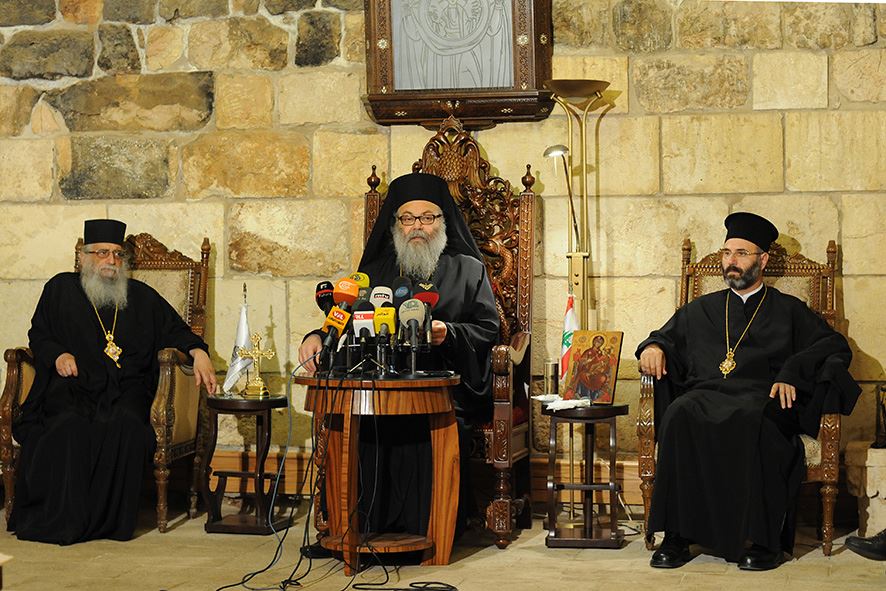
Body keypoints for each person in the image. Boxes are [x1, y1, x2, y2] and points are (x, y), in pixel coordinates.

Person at [636, 212, 860, 571]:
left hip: (761, 399)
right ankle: (677, 536)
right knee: (678, 413)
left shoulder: (788, 310)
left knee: (755, 422)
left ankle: (763, 540)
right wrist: (653, 347)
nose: (731, 261)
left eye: (741, 253)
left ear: (763, 260)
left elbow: (833, 345)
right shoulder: (700, 310)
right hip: (705, 394)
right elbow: (665, 337)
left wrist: (791, 371)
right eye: (727, 253)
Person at [298, 172, 500, 553]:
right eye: (408, 218)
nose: (417, 227)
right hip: (382, 387)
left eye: (427, 217)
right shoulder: (375, 273)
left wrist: (449, 333)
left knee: (431, 425)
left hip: (445, 390)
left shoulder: (468, 269)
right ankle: (350, 530)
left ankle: (430, 533)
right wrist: (317, 336)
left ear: (443, 222)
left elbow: (488, 329)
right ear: (396, 224)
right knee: (355, 420)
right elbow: (347, 318)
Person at [8, 219, 217, 545]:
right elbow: (39, 334)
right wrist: (58, 354)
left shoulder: (142, 297)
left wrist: (198, 351)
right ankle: (65, 519)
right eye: (102, 252)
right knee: (66, 424)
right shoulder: (60, 289)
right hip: (72, 385)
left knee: (128, 424)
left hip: (125, 388)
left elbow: (176, 330)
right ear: (84, 256)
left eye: (118, 254)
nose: (111, 260)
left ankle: (109, 522)